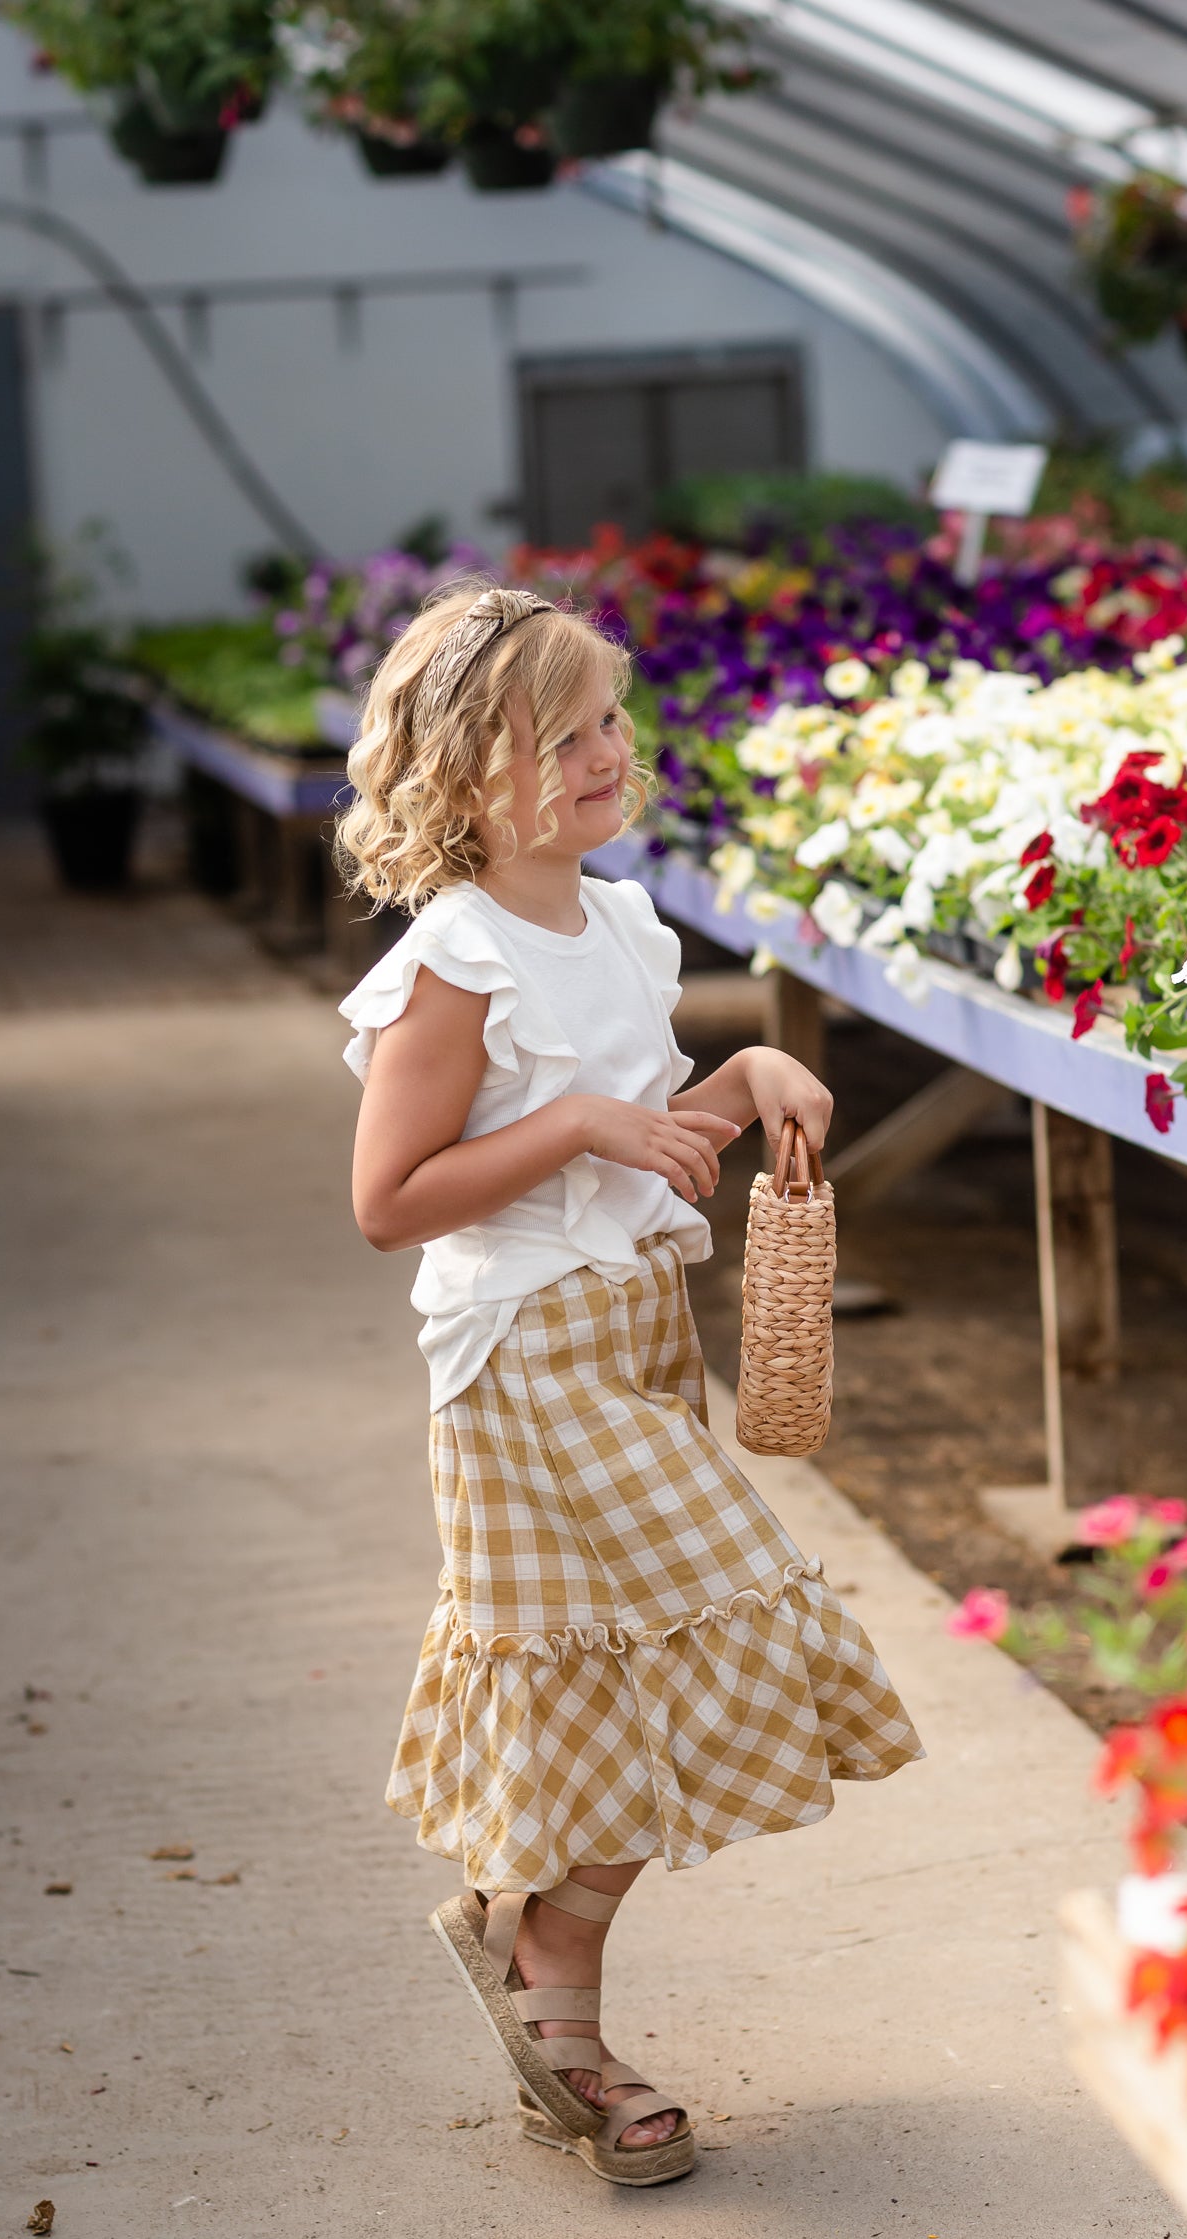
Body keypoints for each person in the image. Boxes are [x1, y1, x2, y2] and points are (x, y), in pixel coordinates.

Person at [336, 581, 922, 2188]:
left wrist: (747, 1077)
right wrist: (586, 1128)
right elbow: (391, 1198)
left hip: (638, 1339)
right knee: (743, 1615)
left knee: (624, 1696)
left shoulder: (619, 923)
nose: (611, 752)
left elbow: (657, 1132)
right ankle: (544, 1961)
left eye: (610, 720)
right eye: (565, 733)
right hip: (521, 1364)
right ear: (466, 776)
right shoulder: (454, 962)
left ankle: (555, 2000)